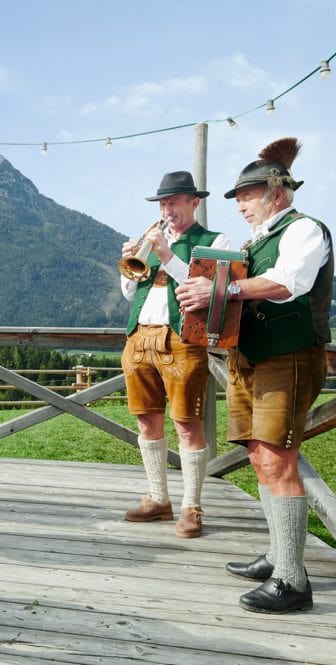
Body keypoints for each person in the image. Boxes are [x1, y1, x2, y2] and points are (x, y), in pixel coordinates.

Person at [178, 137, 331, 613]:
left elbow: (290, 283)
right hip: (252, 357)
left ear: (276, 193)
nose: (240, 205)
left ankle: (292, 581)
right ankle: (279, 554)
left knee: (278, 458)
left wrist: (223, 288)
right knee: (262, 457)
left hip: (287, 354)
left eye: (246, 196)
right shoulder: (258, 239)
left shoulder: (307, 230)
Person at [118, 171, 230, 538]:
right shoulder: (152, 241)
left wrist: (166, 255)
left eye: (174, 203)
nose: (167, 210)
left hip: (182, 340)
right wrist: (132, 261)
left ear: (195, 202)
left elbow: (207, 290)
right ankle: (158, 498)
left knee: (187, 424)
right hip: (140, 338)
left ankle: (192, 507)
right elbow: (128, 294)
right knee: (147, 421)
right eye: (163, 204)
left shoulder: (215, 242)